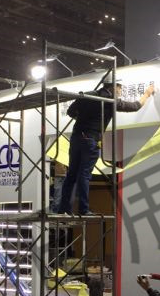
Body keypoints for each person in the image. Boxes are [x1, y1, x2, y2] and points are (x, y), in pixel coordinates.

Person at [57, 75, 155, 215]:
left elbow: (70, 111)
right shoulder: (109, 101)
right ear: (114, 87)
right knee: (84, 174)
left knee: (72, 174)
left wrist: (85, 120)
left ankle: (63, 209)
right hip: (90, 139)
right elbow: (135, 106)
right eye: (120, 88)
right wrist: (147, 94)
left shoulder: (87, 95)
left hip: (76, 138)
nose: (120, 91)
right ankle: (83, 209)